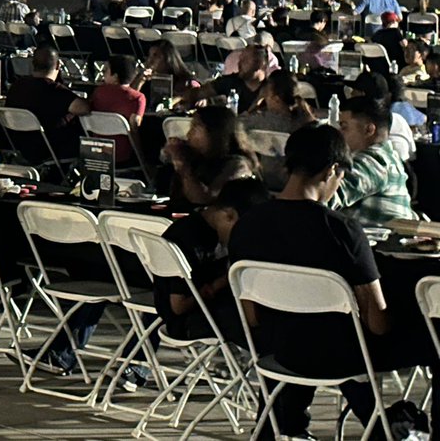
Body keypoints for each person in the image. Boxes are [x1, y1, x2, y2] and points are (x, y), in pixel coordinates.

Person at [228, 122, 440, 439]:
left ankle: (289, 426)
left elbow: (251, 316)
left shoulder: (247, 225)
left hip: (282, 352)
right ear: (331, 171)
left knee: (312, 328)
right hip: (343, 356)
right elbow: (378, 324)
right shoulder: (341, 230)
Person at [155, 177, 269, 343]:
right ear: (228, 215)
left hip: (211, 309)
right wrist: (221, 283)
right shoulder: (188, 238)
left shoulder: (212, 232)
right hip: (187, 321)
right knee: (261, 327)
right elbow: (178, 306)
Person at [334, 96, 415, 226]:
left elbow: (333, 193)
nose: (339, 133)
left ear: (369, 130)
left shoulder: (376, 161)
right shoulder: (388, 156)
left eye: (344, 127)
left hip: (383, 243)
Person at [4, 47, 91, 160]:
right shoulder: (55, 91)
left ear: (33, 64)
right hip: (50, 150)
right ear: (58, 65)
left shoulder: (17, 86)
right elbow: (84, 108)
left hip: (19, 146)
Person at [164, 106, 260, 206]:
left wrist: (182, 165)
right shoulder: (195, 156)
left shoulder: (237, 165)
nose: (189, 134)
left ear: (215, 132)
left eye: (195, 128)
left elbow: (203, 199)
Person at [89, 55, 146, 162]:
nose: (103, 74)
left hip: (98, 153)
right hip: (123, 155)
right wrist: (142, 159)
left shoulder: (98, 93)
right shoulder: (137, 98)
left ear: (115, 76)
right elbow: (135, 127)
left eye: (105, 71)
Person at [181, 44, 267, 113]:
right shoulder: (231, 81)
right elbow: (201, 92)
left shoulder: (271, 90)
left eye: (245, 61)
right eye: (240, 59)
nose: (239, 64)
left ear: (259, 64)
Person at [131, 38, 200, 106]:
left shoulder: (185, 79)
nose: (150, 60)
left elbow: (198, 93)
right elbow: (130, 100)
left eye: (155, 56)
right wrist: (140, 81)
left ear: (168, 58)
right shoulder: (146, 79)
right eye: (149, 55)